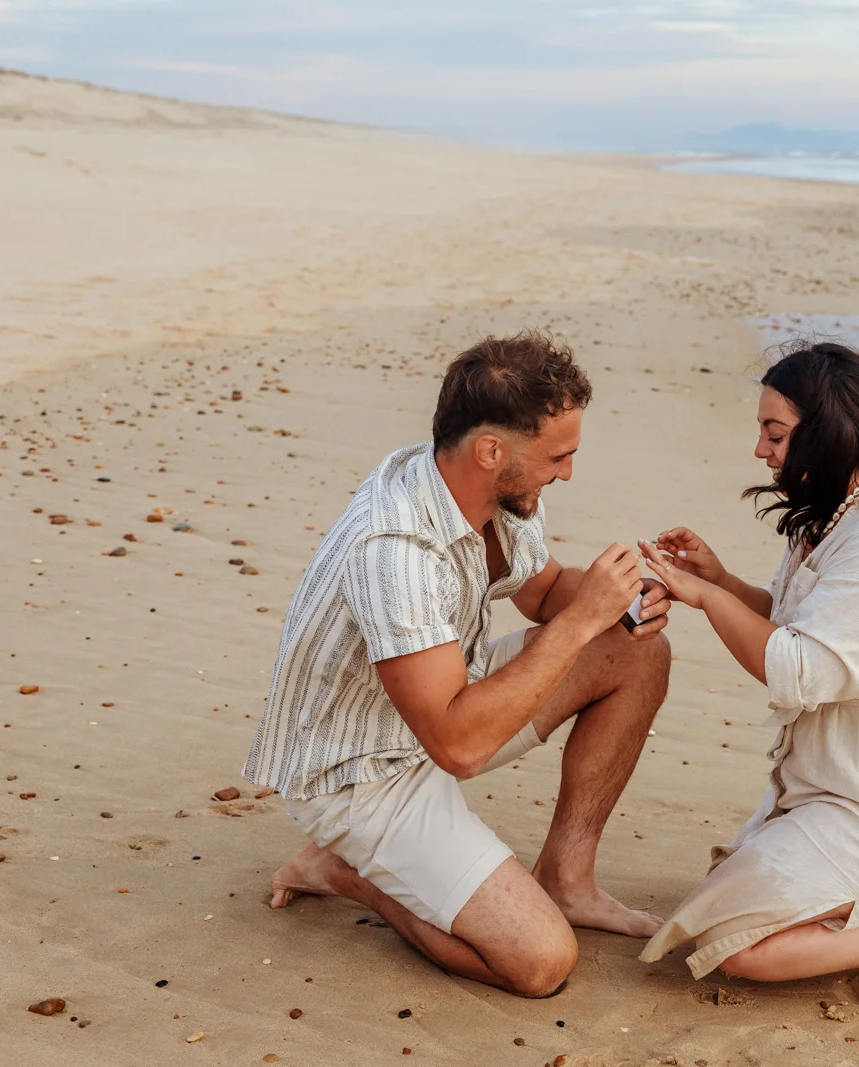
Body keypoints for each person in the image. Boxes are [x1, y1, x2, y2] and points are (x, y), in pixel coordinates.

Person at [243, 330, 672, 998]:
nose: (566, 473)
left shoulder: (496, 490)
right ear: (491, 450)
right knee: (540, 962)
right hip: (360, 770)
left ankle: (568, 877)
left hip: (441, 703)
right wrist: (583, 618)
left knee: (635, 647)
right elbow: (459, 746)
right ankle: (346, 872)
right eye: (558, 457)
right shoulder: (395, 546)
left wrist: (616, 601)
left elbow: (542, 587)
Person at [636, 340, 859, 1011]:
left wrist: (703, 597)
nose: (760, 450)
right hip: (854, 784)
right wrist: (718, 579)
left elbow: (798, 669)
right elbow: (793, 625)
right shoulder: (833, 517)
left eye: (775, 433)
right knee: (731, 887)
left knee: (736, 942)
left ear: (827, 433)